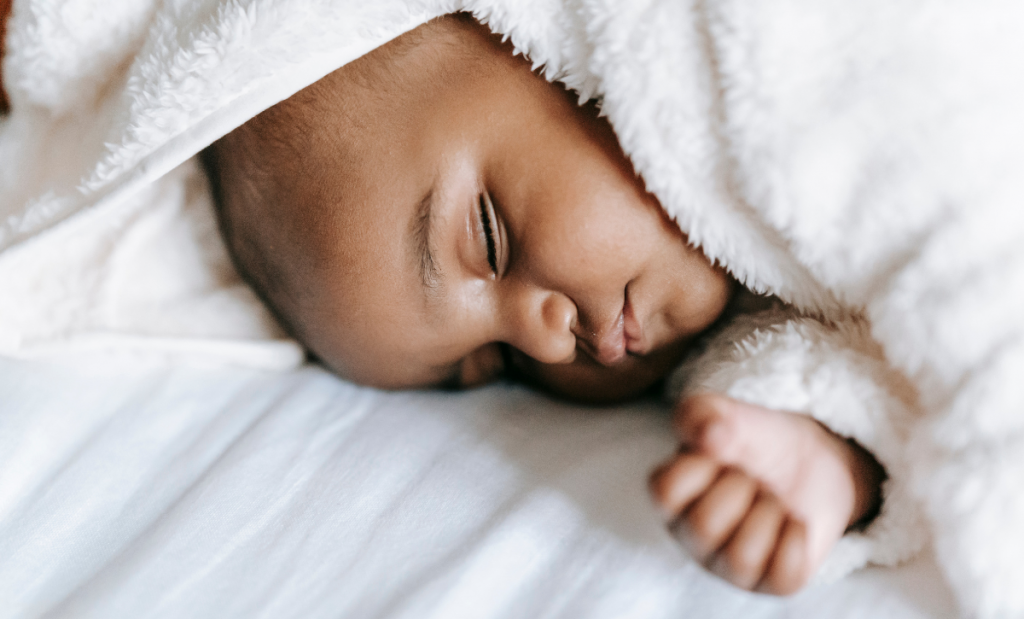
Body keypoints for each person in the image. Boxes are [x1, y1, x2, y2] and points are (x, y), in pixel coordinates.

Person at [198, 13, 886, 595]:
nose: (549, 344)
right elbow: (872, 373)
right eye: (499, 363)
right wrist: (825, 457)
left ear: (531, 38)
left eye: (492, 241)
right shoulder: (730, 352)